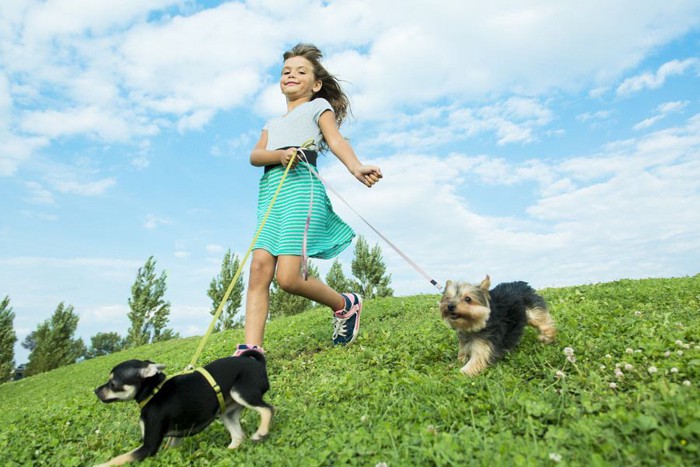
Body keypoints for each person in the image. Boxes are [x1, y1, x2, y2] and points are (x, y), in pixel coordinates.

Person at [234, 43, 382, 356]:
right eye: (286, 71)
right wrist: (279, 153)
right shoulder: (271, 124)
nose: (291, 75)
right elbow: (255, 155)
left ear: (315, 84)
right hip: (271, 194)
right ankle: (251, 351)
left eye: (301, 71)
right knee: (259, 267)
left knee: (288, 278)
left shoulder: (319, 108)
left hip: (301, 189)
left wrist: (356, 167)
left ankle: (345, 305)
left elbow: (336, 140)